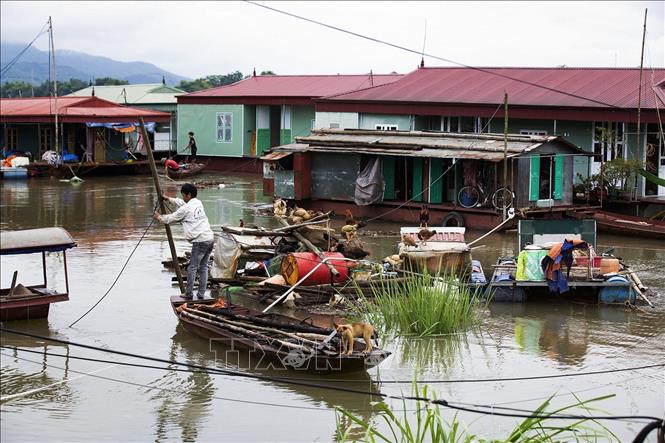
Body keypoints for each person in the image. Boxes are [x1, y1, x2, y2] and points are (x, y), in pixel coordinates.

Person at [153, 183, 214, 299]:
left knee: (192, 268)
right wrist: (168, 199)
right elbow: (182, 203)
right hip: (210, 239)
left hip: (200, 241)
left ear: (188, 195)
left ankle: (188, 293)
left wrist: (159, 217)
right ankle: (201, 294)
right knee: (204, 267)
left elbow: (171, 218)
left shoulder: (186, 209)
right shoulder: (198, 203)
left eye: (184, 195)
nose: (183, 198)